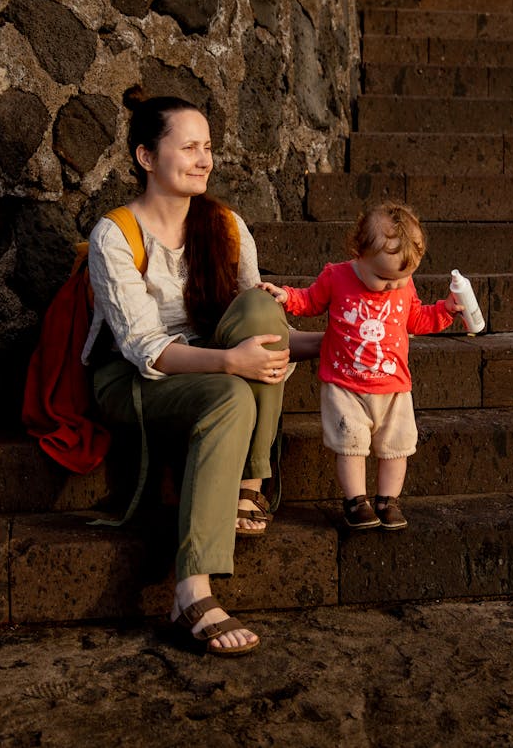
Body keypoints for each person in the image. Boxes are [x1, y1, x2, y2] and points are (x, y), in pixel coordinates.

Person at [83, 86, 320, 656]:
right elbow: (144, 348)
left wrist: (347, 341)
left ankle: (250, 482)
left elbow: (263, 331)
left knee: (264, 304)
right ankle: (192, 588)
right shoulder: (115, 234)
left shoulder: (228, 226)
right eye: (189, 147)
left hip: (214, 365)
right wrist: (230, 363)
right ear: (146, 157)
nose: (204, 159)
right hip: (133, 379)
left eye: (208, 147)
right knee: (229, 396)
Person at [257, 201, 464, 531]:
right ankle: (356, 501)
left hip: (394, 386)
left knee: (396, 448)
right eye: (383, 277)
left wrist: (447, 310)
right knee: (350, 445)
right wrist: (285, 296)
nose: (393, 286)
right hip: (344, 384)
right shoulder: (336, 276)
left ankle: (388, 500)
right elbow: (310, 301)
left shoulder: (402, 284)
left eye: (403, 278)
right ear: (359, 252)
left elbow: (418, 318)